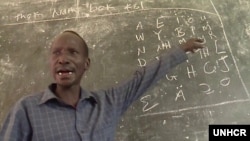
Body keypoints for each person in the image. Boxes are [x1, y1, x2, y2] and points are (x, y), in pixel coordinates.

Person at [0, 30, 204, 141]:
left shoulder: (108, 103)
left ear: (86, 64)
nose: (63, 59)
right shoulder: (26, 110)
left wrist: (181, 50)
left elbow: (142, 78)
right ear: (51, 63)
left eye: (72, 52)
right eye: (56, 53)